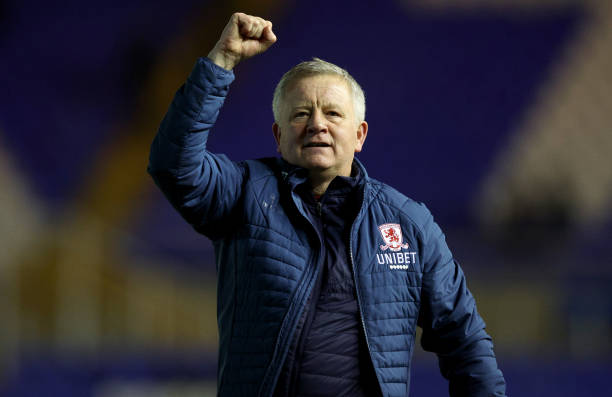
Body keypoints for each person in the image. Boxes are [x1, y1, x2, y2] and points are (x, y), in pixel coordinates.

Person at [148, 12, 506, 397]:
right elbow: (173, 166)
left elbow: (465, 340)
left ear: (359, 134)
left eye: (333, 113)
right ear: (278, 134)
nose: (317, 124)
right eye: (301, 114)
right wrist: (221, 62)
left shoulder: (408, 224)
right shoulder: (243, 193)